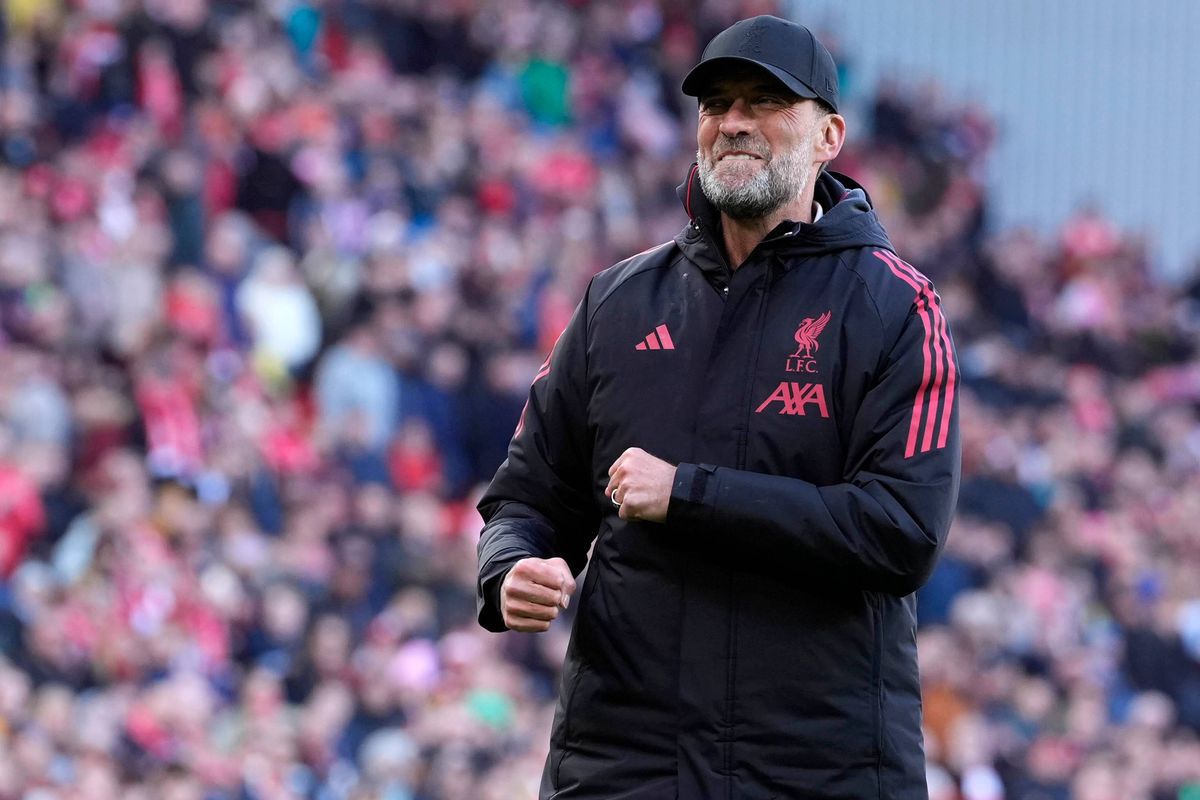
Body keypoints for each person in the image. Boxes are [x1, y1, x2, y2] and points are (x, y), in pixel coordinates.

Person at [476, 15, 960, 800]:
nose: (733, 122)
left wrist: (691, 494)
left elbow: (902, 532)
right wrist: (510, 567)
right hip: (626, 768)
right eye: (716, 104)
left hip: (819, 772)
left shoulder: (896, 307)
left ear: (830, 136)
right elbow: (528, 497)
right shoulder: (617, 303)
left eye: (765, 102)